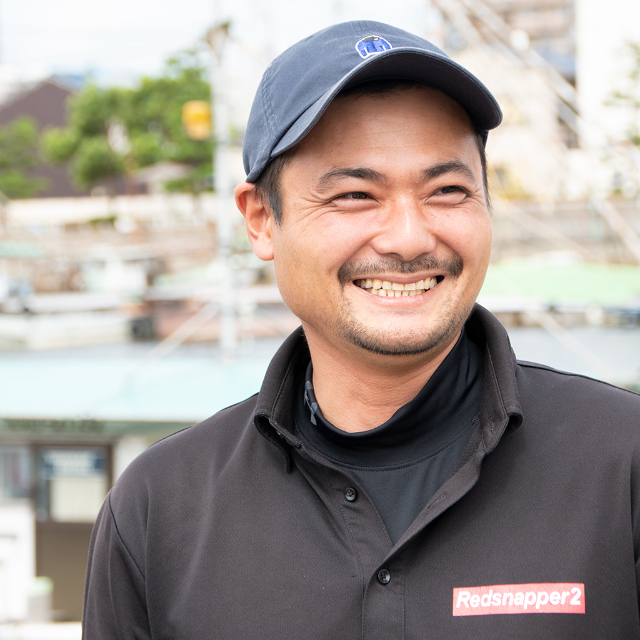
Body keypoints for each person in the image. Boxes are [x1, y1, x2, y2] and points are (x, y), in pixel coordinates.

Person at [82, 21, 640, 639]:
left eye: (447, 190)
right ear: (261, 219)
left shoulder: (623, 464)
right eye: (354, 195)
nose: (408, 238)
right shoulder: (160, 510)